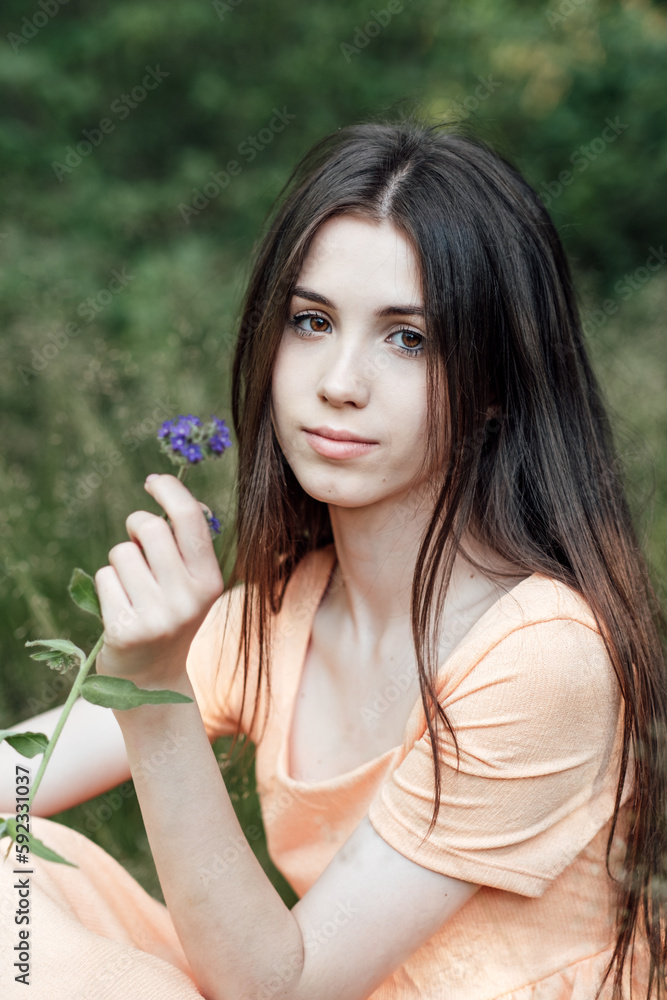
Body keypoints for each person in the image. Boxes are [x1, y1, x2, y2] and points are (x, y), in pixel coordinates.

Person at [1, 116, 666, 1000]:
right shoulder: (278, 615)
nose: (337, 381)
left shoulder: (545, 656)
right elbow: (18, 774)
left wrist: (153, 689)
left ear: (499, 385)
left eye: (408, 338)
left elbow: (282, 985)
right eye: (311, 321)